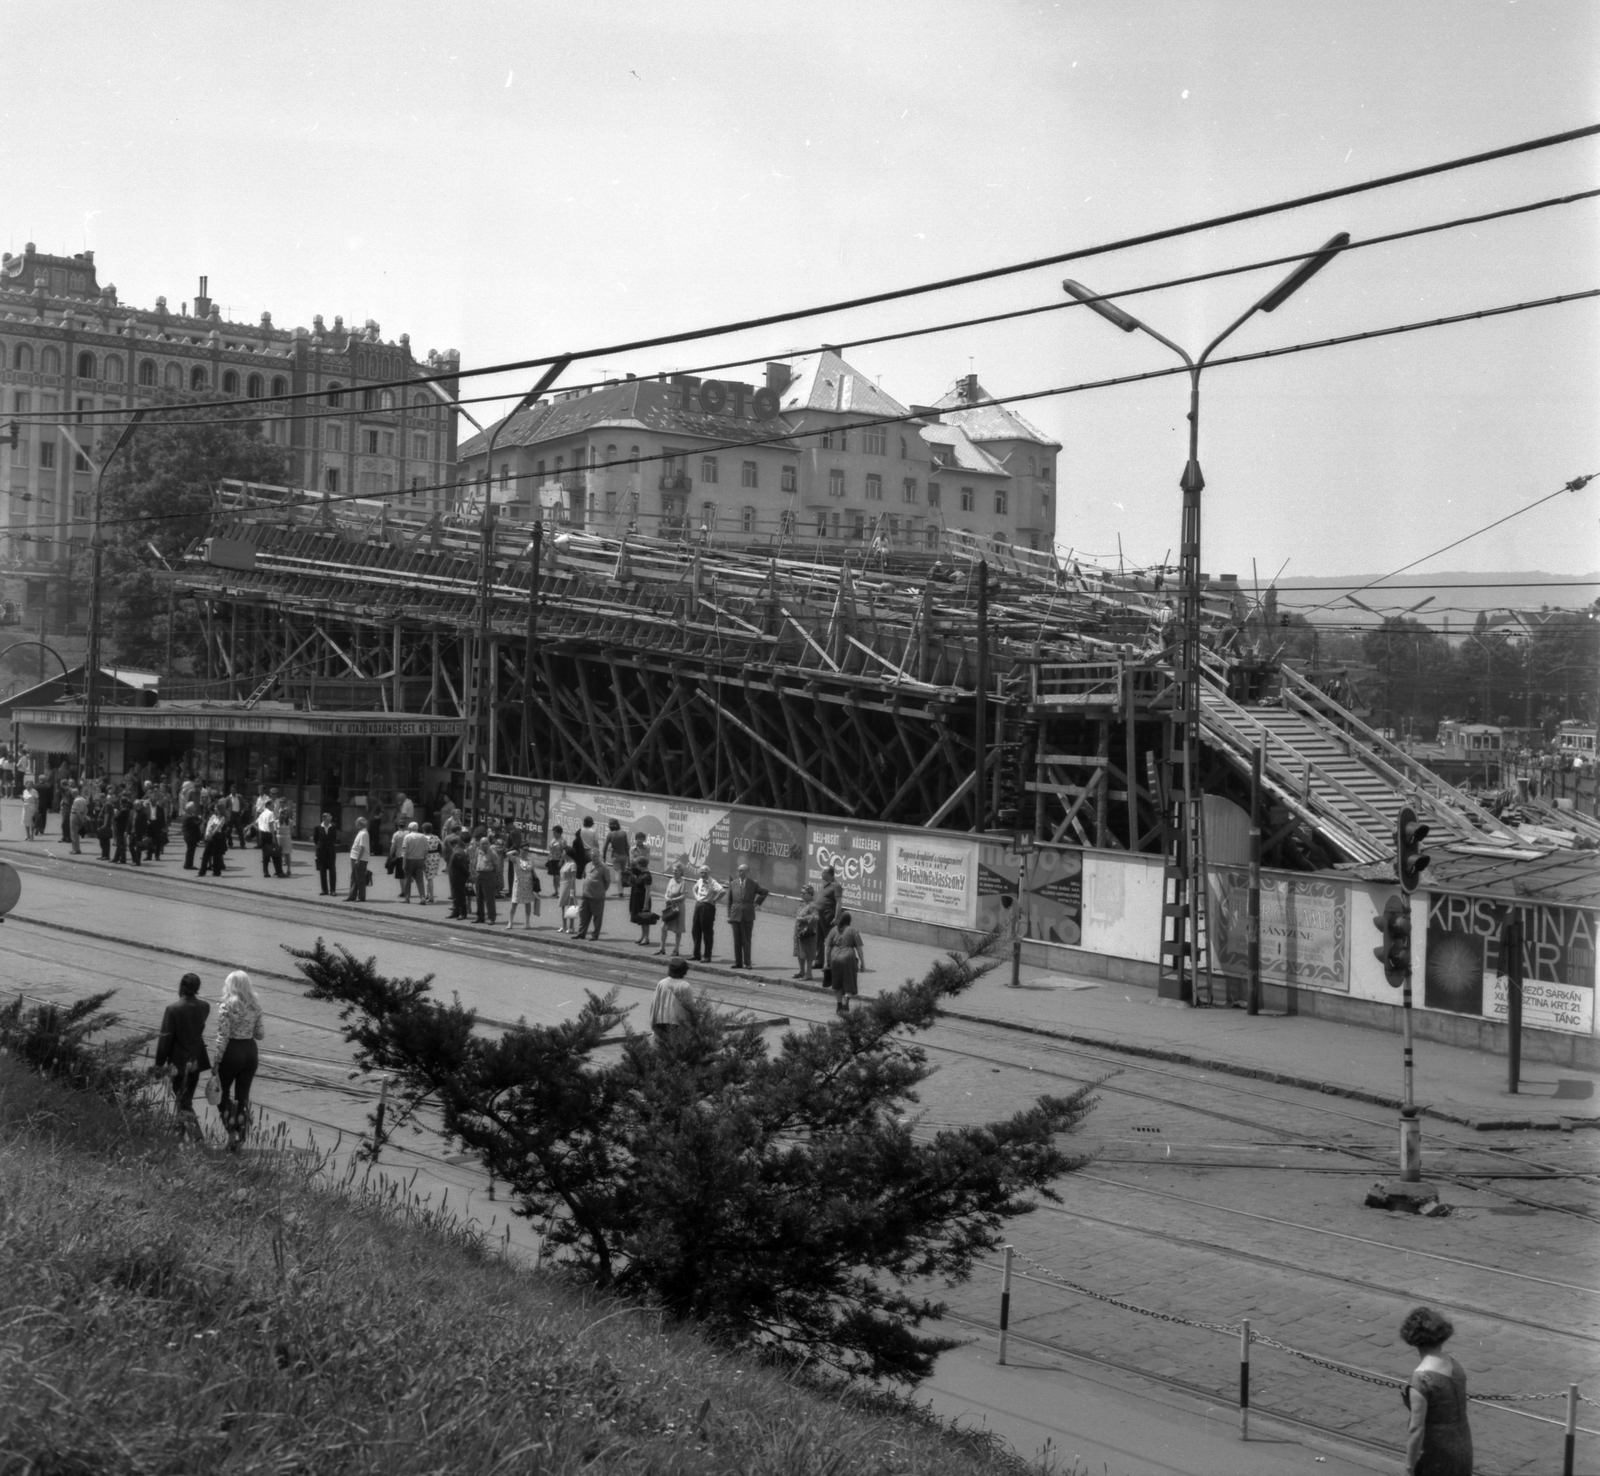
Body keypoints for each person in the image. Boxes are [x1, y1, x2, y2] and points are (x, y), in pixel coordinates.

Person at [1400, 1306, 1473, 1476]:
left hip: (1436, 1456)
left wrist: (1409, 1467)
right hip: (1463, 1449)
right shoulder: (1454, 1364)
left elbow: (1416, 1429)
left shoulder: (1422, 1380)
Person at [153, 972, 210, 1140]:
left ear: (182, 987)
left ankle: (197, 1138)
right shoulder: (205, 1007)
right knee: (184, 1099)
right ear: (197, 988)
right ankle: (178, 1134)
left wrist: (159, 1065)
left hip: (178, 1063)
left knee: (183, 1102)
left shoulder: (173, 1009)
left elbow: (165, 1040)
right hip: (196, 1062)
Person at [213, 969, 265, 1153]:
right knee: (243, 1096)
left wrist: (216, 1060)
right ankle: (241, 1135)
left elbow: (223, 1035)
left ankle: (231, 1131)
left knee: (222, 1093)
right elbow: (260, 1035)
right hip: (250, 1052)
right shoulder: (255, 1007)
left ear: (231, 986)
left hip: (232, 1052)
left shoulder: (226, 1006)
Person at [725, 862, 769, 969]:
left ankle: (747, 962)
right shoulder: (733, 883)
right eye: (740, 870)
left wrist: (757, 903)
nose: (742, 872)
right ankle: (738, 962)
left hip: (747, 915)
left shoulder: (753, 883)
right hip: (735, 914)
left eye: (744, 871)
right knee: (737, 940)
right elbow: (730, 901)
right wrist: (729, 915)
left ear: (748, 872)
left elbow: (764, 892)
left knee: (746, 939)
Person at [824, 910, 865, 1015]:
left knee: (837, 982)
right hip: (848, 957)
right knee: (849, 980)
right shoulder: (853, 930)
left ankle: (839, 1006)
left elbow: (827, 946)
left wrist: (826, 961)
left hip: (835, 957)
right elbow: (859, 948)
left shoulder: (833, 930)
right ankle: (846, 1000)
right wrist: (863, 963)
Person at [650, 956, 693, 1044]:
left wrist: (652, 1024)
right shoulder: (685, 986)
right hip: (678, 1025)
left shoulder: (662, 983)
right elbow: (690, 1008)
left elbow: (655, 1004)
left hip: (660, 1023)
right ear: (684, 971)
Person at [689, 864, 726, 962]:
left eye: (705, 872)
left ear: (709, 873)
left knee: (707, 932)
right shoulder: (700, 881)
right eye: (701, 872)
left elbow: (722, 891)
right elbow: (694, 888)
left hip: (707, 907)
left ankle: (707, 955)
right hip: (698, 905)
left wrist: (714, 900)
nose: (703, 874)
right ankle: (696, 954)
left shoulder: (712, 882)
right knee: (695, 931)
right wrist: (696, 897)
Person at [815, 866, 843, 987]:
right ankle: (819, 961)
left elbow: (839, 903)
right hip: (819, 915)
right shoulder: (825, 885)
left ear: (831, 874)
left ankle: (829, 964)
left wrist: (837, 918)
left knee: (829, 941)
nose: (822, 873)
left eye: (824, 872)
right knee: (819, 939)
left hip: (828, 915)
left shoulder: (836, 886)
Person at [506, 842, 541, 928]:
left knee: (527, 903)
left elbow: (533, 872)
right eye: (525, 849)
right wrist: (515, 850)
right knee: (514, 903)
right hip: (518, 884)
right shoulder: (516, 859)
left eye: (528, 850)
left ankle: (527, 923)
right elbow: (507, 854)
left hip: (528, 884)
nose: (526, 851)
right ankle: (510, 922)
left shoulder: (530, 860)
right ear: (521, 849)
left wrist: (537, 885)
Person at [656, 860, 687, 957]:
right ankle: (662, 949)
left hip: (678, 908)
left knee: (678, 929)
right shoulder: (671, 880)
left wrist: (673, 899)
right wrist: (666, 897)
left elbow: (683, 897)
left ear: (681, 872)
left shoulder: (683, 882)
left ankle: (676, 950)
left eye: (676, 871)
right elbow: (666, 892)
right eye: (673, 870)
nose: (674, 872)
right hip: (669, 907)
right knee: (663, 927)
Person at [472, 829, 502, 925]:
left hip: (489, 875)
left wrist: (493, 876)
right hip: (479, 875)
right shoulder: (478, 851)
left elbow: (497, 867)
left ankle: (492, 918)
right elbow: (476, 862)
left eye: (486, 843)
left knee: (489, 898)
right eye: (482, 843)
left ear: (489, 844)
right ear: (480, 844)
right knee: (478, 897)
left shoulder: (492, 853)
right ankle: (480, 917)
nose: (484, 845)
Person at [576, 858, 610, 940]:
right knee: (583, 915)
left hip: (597, 896)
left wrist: (602, 890)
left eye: (596, 856)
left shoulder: (604, 867)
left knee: (597, 916)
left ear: (599, 856)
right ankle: (581, 934)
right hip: (586, 894)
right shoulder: (588, 865)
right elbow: (585, 877)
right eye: (593, 857)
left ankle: (595, 935)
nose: (594, 859)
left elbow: (607, 881)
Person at [792, 883, 820, 981]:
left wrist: (804, 919)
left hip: (808, 933)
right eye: (801, 893)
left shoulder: (813, 905)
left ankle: (809, 974)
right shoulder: (803, 904)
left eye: (804, 893)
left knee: (808, 953)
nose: (801, 895)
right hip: (800, 932)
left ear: (810, 894)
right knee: (800, 952)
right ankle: (801, 971)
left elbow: (816, 917)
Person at [400, 821, 429, 903]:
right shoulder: (423, 836)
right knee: (420, 879)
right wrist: (424, 858)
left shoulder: (407, 837)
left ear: (409, 829)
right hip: (420, 859)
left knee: (408, 879)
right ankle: (422, 897)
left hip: (410, 859)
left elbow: (405, 851)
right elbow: (426, 850)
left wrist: (403, 863)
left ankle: (407, 898)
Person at [628, 852, 653, 945]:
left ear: (641, 865)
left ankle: (646, 938)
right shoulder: (640, 872)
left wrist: (646, 904)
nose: (636, 866)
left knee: (646, 920)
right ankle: (643, 936)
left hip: (643, 899)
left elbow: (648, 891)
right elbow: (631, 867)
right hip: (637, 898)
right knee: (642, 919)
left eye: (637, 864)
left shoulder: (647, 875)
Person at [446, 836, 472, 919]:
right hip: (456, 877)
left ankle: (463, 912)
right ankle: (456, 911)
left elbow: (462, 867)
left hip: (458, 878)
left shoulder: (457, 853)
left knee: (459, 895)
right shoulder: (460, 851)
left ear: (451, 845)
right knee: (456, 895)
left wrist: (467, 875)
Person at [604, 819, 630, 898]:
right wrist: (628, 859)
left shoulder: (610, 834)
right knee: (622, 873)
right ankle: (621, 890)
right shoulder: (623, 833)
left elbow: (605, 847)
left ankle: (620, 892)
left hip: (616, 856)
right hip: (624, 856)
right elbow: (627, 847)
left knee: (617, 873)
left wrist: (604, 857)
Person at [257, 800, 285, 877]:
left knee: (265, 854)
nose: (274, 807)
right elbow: (271, 826)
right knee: (275, 852)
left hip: (263, 834)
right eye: (272, 805)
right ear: (268, 805)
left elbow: (257, 824)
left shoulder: (261, 814)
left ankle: (265, 872)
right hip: (269, 834)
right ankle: (279, 872)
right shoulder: (270, 813)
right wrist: (273, 837)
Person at [347, 816, 372, 902]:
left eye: (357, 822)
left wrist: (358, 859)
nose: (356, 824)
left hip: (360, 859)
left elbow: (362, 847)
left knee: (360, 878)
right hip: (355, 857)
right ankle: (352, 895)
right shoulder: (361, 832)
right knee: (354, 877)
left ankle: (361, 896)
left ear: (359, 824)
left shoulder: (363, 834)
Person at [313, 812, 339, 895]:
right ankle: (324, 890)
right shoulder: (318, 827)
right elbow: (315, 839)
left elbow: (334, 838)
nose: (330, 818)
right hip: (321, 852)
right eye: (328, 817)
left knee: (332, 870)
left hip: (331, 851)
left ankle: (333, 890)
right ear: (324, 818)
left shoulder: (333, 826)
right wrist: (320, 847)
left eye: (330, 817)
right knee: (322, 871)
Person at [422, 822, 442, 904]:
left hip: (427, 856)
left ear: (423, 830)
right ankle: (427, 894)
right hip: (436, 856)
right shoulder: (436, 837)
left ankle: (431, 897)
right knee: (429, 877)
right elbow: (441, 846)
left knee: (429, 878)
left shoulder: (423, 838)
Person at [557, 857, 578, 933]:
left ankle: (571, 927)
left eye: (564, 851)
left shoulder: (572, 864)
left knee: (571, 906)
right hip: (563, 886)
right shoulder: (564, 862)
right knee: (563, 905)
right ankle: (564, 926)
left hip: (569, 886)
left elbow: (573, 878)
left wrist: (572, 890)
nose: (562, 854)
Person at [181, 801, 203, 871]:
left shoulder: (187, 815)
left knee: (190, 851)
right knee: (191, 851)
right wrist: (200, 819)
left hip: (189, 836)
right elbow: (196, 824)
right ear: (190, 808)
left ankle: (187, 864)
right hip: (191, 836)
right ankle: (189, 865)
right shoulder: (189, 816)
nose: (195, 808)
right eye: (193, 807)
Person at [69, 786, 88, 856]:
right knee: (77, 833)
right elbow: (86, 809)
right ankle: (76, 848)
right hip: (82, 815)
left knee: (74, 833)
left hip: (74, 816)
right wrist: (83, 817)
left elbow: (77, 811)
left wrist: (80, 818)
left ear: (73, 794)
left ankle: (76, 849)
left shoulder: (76, 801)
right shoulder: (83, 799)